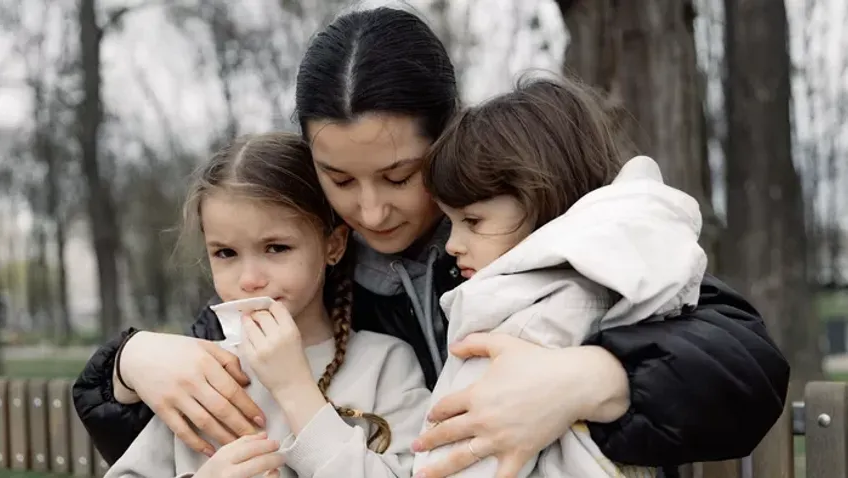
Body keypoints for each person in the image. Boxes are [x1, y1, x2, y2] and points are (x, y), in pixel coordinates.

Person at [73, 7, 789, 478]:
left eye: (398, 175)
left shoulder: (529, 239)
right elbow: (194, 426)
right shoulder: (309, 269)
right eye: (339, 179)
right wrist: (129, 365)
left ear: (444, 137)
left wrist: (592, 381)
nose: (372, 209)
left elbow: (741, 366)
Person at [413, 76, 706, 477]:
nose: (453, 244)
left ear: (540, 200)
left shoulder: (525, 317)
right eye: (451, 223)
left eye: (473, 221)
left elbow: (457, 462)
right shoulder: (620, 284)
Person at [102, 132, 431, 478]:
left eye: (276, 248)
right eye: (225, 253)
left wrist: (295, 389)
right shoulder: (199, 372)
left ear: (333, 246)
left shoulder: (386, 365)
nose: (249, 278)